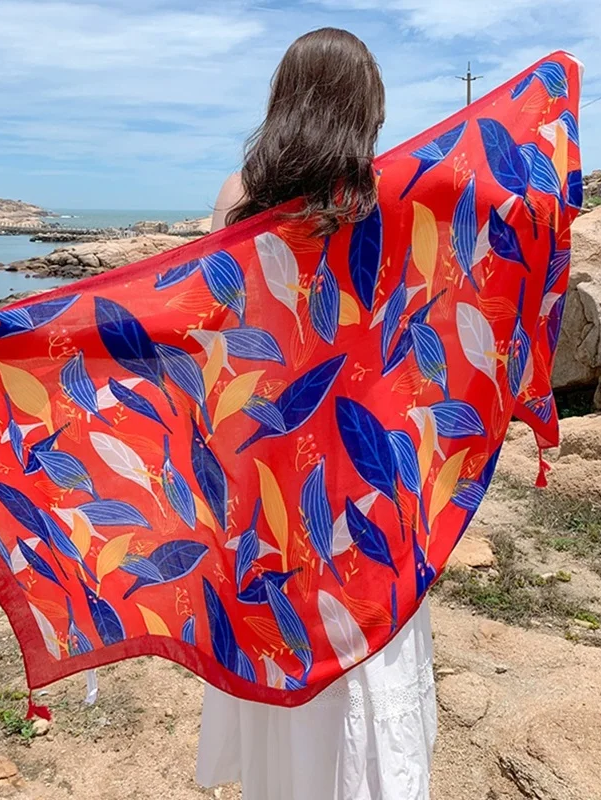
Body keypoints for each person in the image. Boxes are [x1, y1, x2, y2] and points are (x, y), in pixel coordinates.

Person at [196, 27, 437, 800]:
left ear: (285, 101)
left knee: (283, 635)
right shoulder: (390, 195)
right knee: (369, 640)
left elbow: (217, 334)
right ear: (365, 107)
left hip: (270, 466)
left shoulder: (239, 198)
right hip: (367, 464)